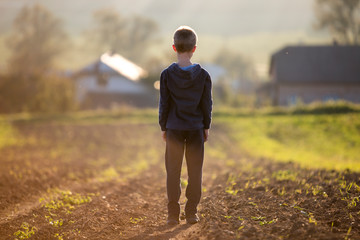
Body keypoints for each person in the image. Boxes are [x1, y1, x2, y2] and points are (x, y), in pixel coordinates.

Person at [158, 26, 212, 225]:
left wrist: (163, 126)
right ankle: (191, 213)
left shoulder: (166, 74)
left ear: (174, 47)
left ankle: (173, 214)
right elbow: (206, 104)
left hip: (173, 128)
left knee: (173, 171)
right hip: (195, 128)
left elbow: (164, 103)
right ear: (194, 49)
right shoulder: (204, 75)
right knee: (195, 170)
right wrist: (206, 125)